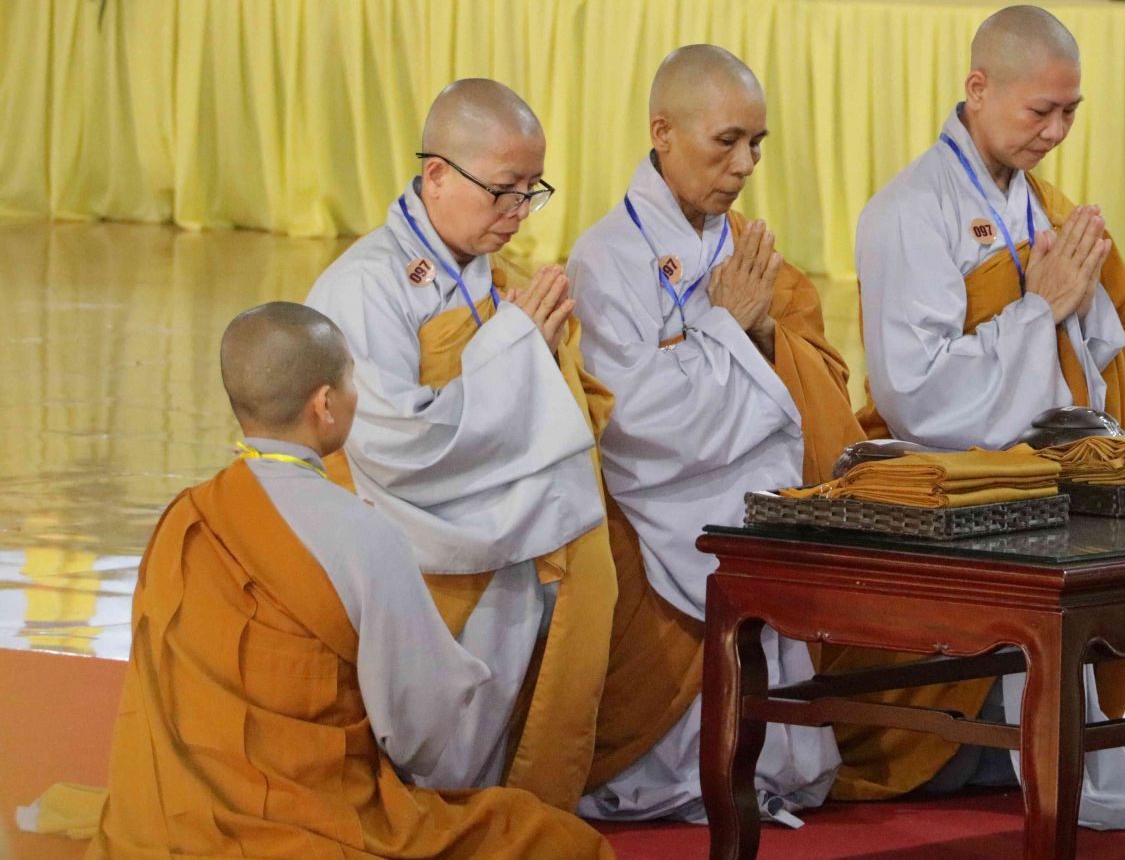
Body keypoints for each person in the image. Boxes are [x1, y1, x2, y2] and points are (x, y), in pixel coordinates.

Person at [846, 4, 1125, 828]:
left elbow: (1102, 356)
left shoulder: (1045, 205)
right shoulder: (910, 209)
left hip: (1045, 475)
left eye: (1071, 111)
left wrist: (1072, 314)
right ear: (978, 88)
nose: (1057, 131)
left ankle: (1025, 742)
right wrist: (1039, 310)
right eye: (1042, 110)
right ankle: (963, 745)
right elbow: (915, 393)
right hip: (955, 487)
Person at [89, 302, 611, 858]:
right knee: (553, 840)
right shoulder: (365, 534)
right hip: (320, 819)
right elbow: (417, 734)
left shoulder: (185, 519)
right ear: (325, 404)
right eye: (351, 383)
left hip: (176, 817)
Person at [565, 45, 856, 823]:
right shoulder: (606, 258)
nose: (745, 164)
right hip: (660, 501)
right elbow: (633, 421)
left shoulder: (743, 244)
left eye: (757, 143)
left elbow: (812, 375)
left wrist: (761, 337)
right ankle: (674, 770)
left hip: (756, 487)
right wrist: (728, 330)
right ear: (662, 131)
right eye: (726, 141)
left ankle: (763, 761)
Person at [306, 79, 614, 811]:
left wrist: (536, 357)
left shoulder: (490, 276)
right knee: (424, 757)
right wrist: (518, 351)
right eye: (504, 190)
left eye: (532, 191)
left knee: (485, 742)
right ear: (438, 173)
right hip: (413, 549)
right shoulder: (365, 286)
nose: (519, 211)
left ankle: (474, 824)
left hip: (502, 535)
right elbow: (398, 441)